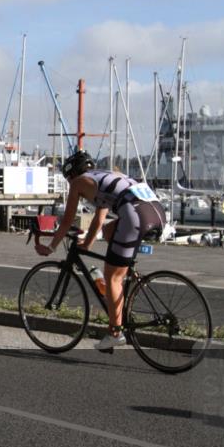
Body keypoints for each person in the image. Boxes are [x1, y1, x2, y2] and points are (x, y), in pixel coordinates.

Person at [34, 150, 166, 352]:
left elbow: (67, 221)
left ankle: (115, 333)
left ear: (71, 175)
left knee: (112, 277)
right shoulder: (105, 176)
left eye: (68, 180)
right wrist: (87, 244)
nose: (70, 184)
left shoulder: (79, 182)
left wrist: (51, 247)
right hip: (156, 212)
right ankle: (127, 273)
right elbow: (99, 220)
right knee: (109, 231)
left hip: (135, 215)